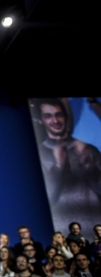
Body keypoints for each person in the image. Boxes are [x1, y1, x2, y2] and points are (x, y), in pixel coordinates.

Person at [33, 98, 101, 241]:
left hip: (97, 230)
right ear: (40, 121)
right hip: (65, 235)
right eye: (48, 116)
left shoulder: (88, 150)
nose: (55, 120)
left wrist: (88, 164)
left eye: (59, 115)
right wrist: (58, 166)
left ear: (66, 117)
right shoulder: (38, 154)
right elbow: (45, 198)